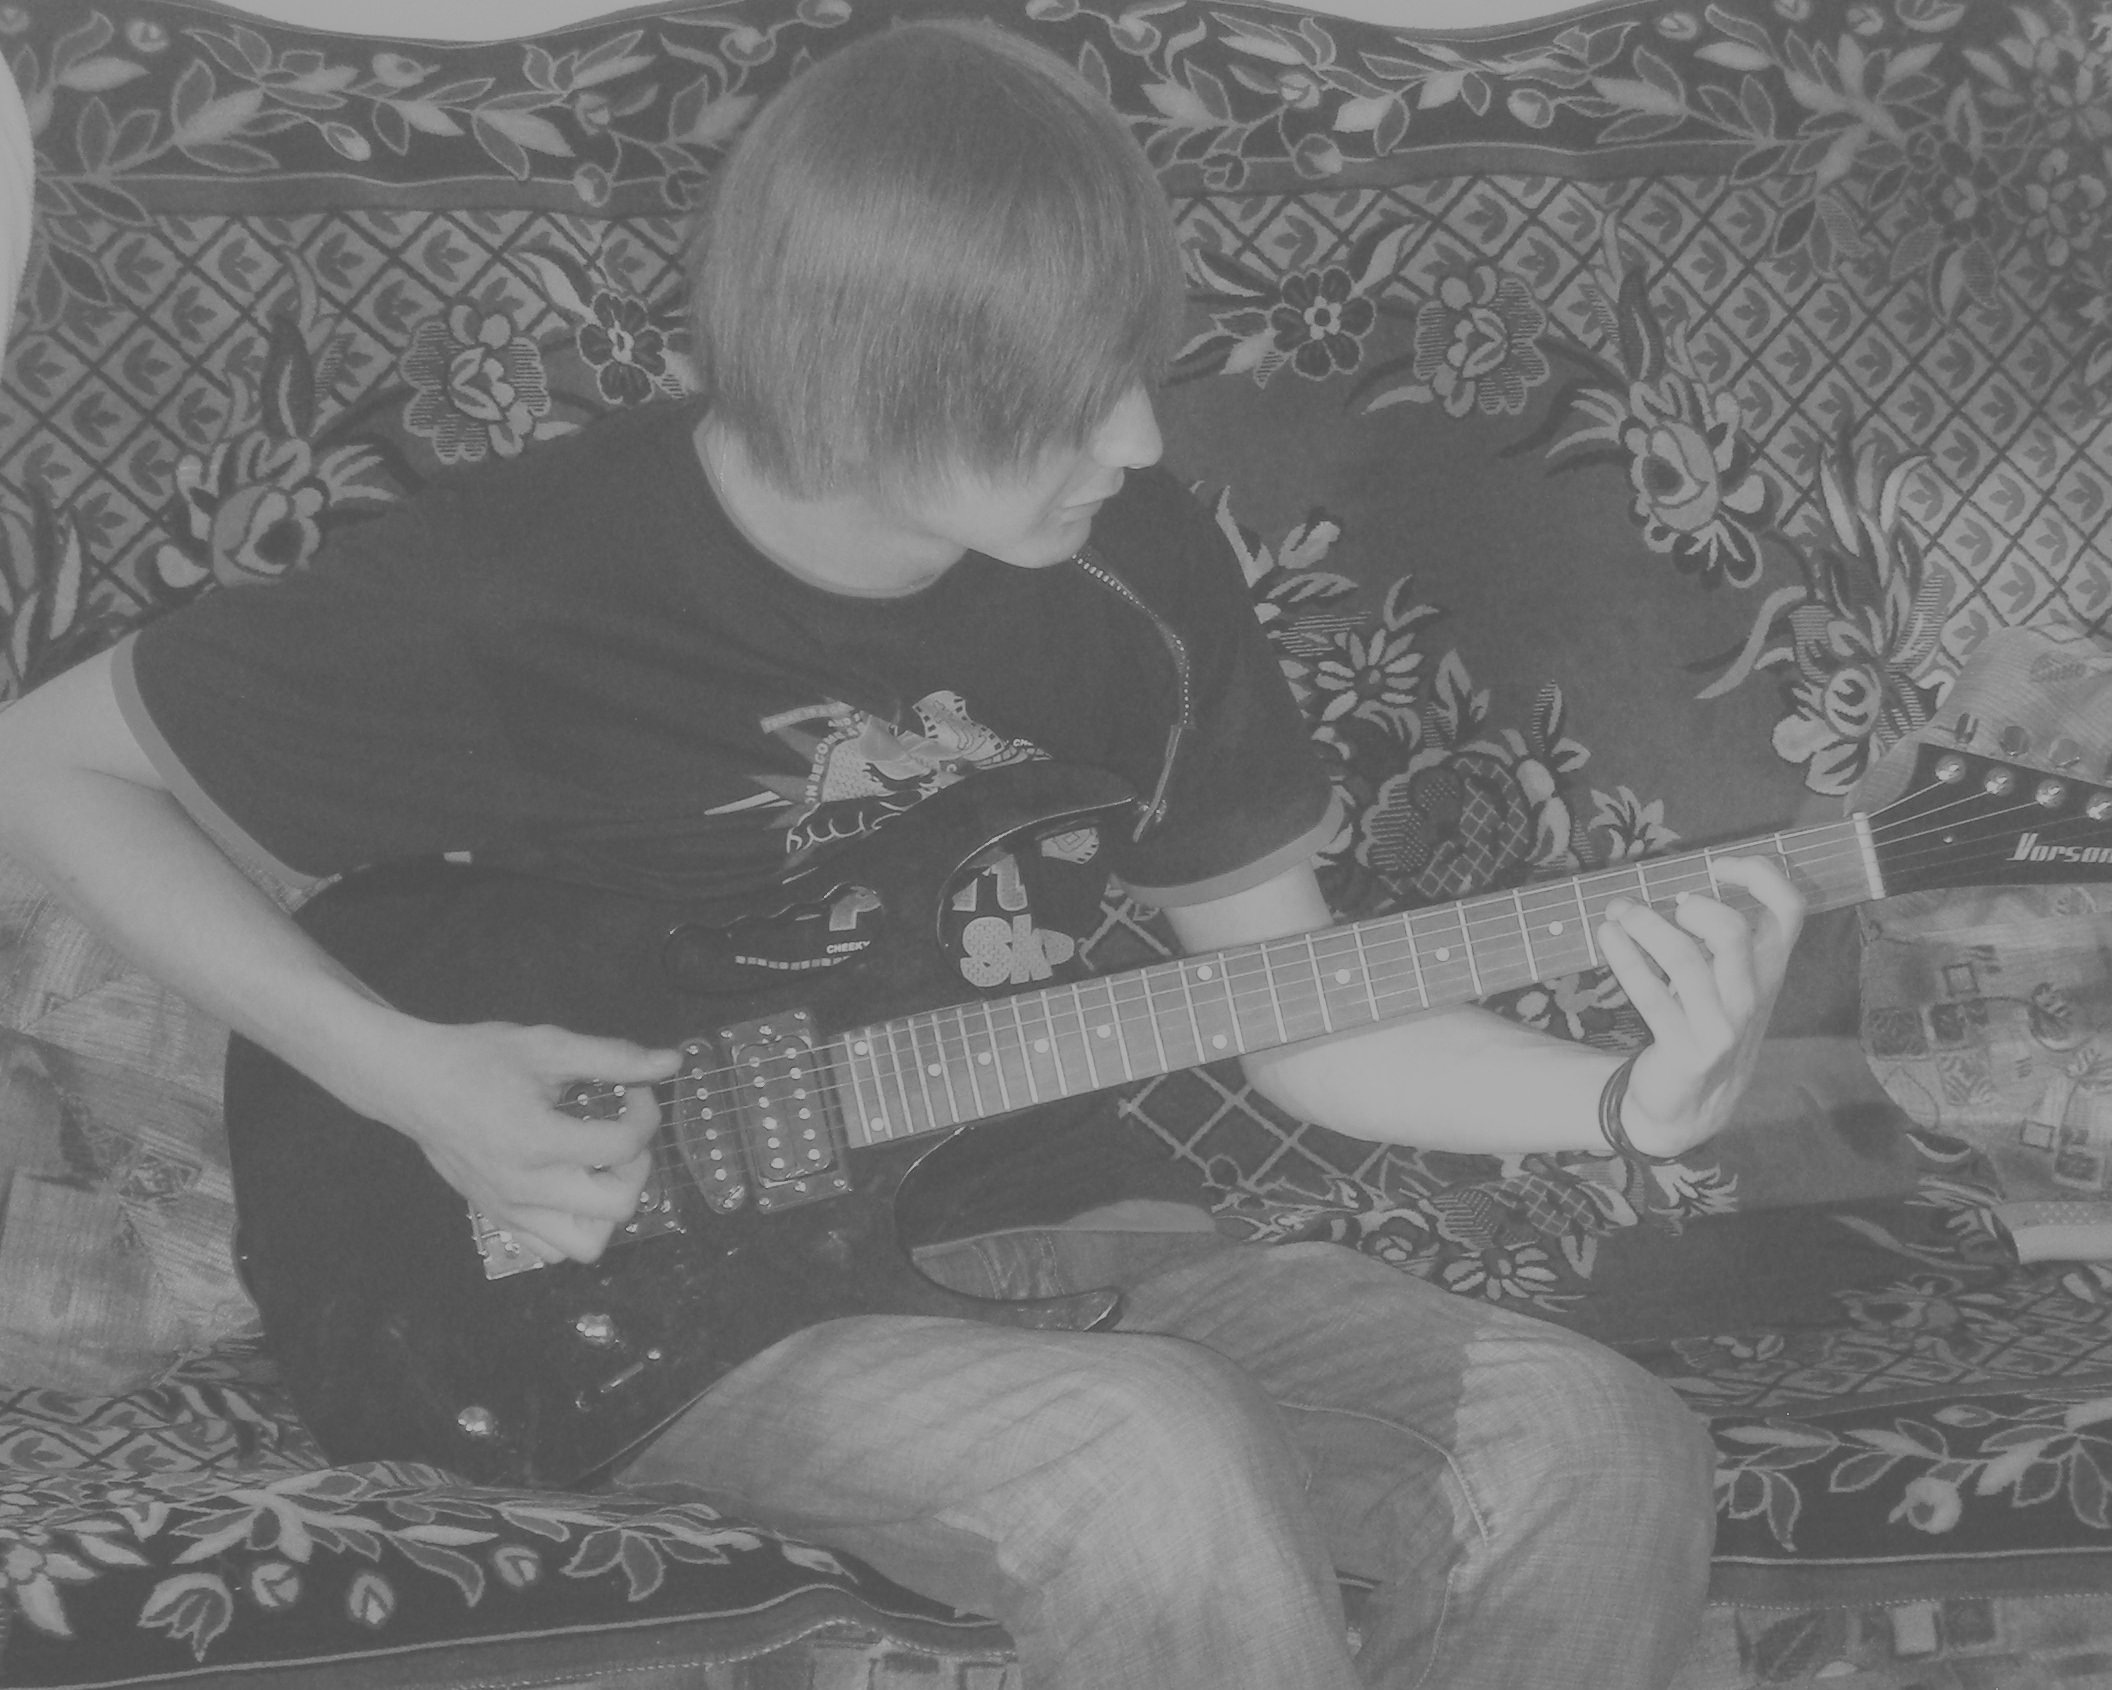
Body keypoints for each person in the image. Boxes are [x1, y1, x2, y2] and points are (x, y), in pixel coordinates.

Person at [0, 19, 1804, 1689]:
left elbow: (1304, 1016)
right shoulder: (522, 583)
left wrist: (1630, 1103)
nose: (1139, 438)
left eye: (1134, 374)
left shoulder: (1139, 572)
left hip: (1041, 1220)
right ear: (867, 371)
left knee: (1596, 1440)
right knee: (1149, 1455)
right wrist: (409, 1075)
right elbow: (49, 769)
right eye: (1065, 397)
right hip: (627, 1299)